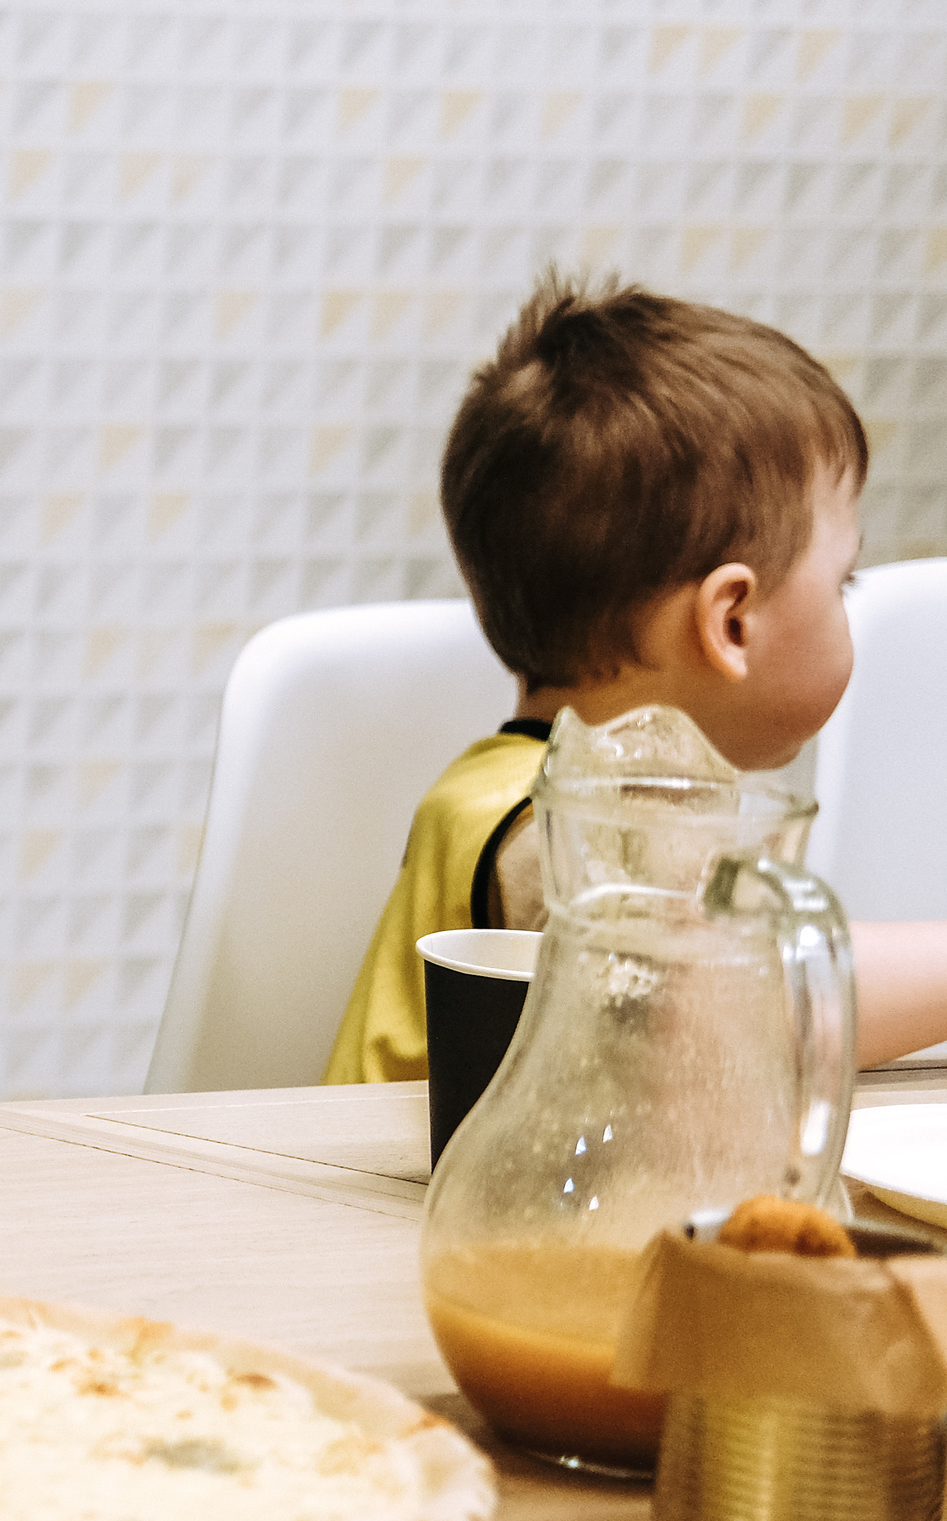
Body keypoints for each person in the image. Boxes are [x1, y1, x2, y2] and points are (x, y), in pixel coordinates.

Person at [328, 274, 947, 1084]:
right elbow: (746, 1008)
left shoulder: (536, 786)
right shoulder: (554, 826)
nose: (848, 606)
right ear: (732, 623)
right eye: (843, 583)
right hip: (400, 1214)